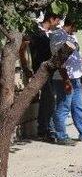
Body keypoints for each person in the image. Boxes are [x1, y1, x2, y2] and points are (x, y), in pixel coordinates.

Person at [50, 16, 82, 144]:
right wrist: (66, 80)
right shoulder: (58, 35)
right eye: (76, 27)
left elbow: (78, 57)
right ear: (71, 24)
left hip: (76, 78)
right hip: (64, 78)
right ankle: (61, 136)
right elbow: (59, 61)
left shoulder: (71, 36)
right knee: (63, 107)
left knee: (77, 107)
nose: (77, 30)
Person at [19, 11, 62, 141]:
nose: (59, 23)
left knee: (49, 100)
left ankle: (46, 128)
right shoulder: (34, 32)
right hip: (41, 72)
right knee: (48, 100)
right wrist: (26, 67)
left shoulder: (52, 34)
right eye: (58, 20)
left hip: (53, 72)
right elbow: (21, 49)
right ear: (51, 19)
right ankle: (45, 129)